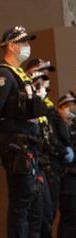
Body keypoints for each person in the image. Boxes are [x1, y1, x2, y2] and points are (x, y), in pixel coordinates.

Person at [0, 25, 44, 238]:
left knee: (33, 201)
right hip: (15, 145)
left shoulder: (20, 75)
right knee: (21, 200)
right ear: (11, 46)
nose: (27, 47)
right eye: (23, 43)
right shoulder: (3, 74)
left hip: (28, 143)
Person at [25, 59, 70, 238]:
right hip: (35, 161)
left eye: (46, 72)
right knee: (36, 217)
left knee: (48, 216)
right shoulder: (29, 96)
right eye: (40, 71)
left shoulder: (47, 102)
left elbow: (61, 136)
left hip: (51, 164)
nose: (44, 76)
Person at [57, 91, 76, 238]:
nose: (70, 109)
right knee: (69, 217)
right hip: (67, 178)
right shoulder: (57, 128)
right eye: (67, 106)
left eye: (72, 106)